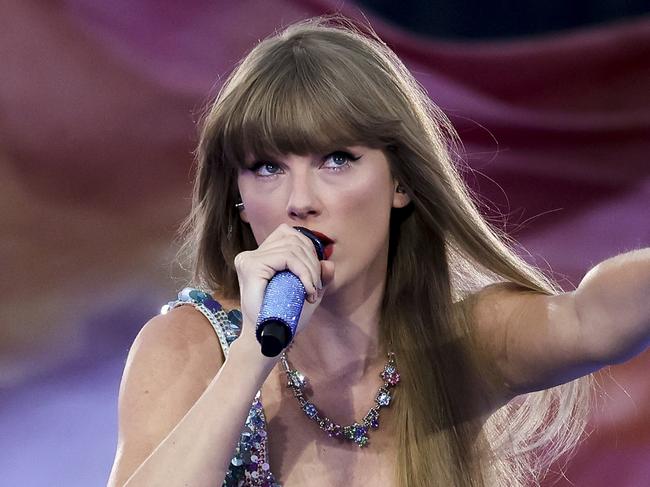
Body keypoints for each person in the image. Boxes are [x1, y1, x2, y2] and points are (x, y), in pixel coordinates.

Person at [107, 15, 649, 487]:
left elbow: (590, 317)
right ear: (240, 200)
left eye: (336, 160)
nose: (300, 202)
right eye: (267, 168)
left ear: (400, 183)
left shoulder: (457, 346)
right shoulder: (189, 347)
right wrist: (253, 351)